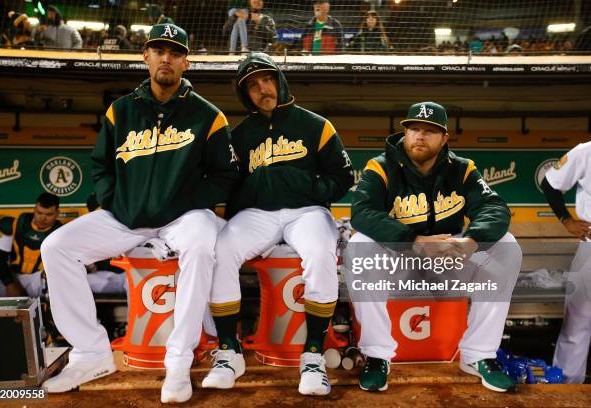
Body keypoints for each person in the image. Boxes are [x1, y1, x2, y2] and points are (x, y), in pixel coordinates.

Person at [39, 23, 239, 404]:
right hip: (126, 215)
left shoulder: (207, 115)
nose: (167, 58)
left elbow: (225, 176)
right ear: (145, 56)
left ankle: (178, 361)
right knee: (56, 247)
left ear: (186, 63)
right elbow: (101, 166)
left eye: (175, 52)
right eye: (159, 50)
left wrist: (186, 201)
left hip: (182, 216)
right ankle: (92, 352)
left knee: (200, 246)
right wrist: (115, 200)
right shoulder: (121, 111)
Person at [201, 52, 354, 396]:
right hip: (259, 214)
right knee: (220, 250)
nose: (262, 89)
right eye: (252, 86)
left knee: (319, 253)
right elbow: (233, 182)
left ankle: (313, 356)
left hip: (307, 211)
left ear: (279, 81)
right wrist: (241, 209)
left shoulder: (316, 125)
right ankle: (228, 352)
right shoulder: (239, 136)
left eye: (267, 80)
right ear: (245, 94)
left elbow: (342, 176)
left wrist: (313, 189)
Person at [349, 102, 522, 392]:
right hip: (399, 262)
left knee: (506, 246)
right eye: (414, 128)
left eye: (430, 131)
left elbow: (495, 208)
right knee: (358, 245)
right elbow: (362, 212)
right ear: (404, 133)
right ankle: (377, 355)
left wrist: (470, 242)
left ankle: (478, 355)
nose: (420, 135)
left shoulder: (463, 169)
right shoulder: (381, 166)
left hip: (448, 261)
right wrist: (413, 242)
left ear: (445, 138)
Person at [540, 142, 591, 383]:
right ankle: (567, 387)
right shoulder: (586, 151)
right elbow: (550, 184)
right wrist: (566, 219)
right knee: (579, 320)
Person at [0, 193, 61, 298]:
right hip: (12, 276)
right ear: (34, 209)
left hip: (39, 279)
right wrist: (10, 283)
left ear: (57, 213)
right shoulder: (15, 225)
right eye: (39, 213)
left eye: (48, 214)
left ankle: (46, 313)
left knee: (58, 282)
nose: (43, 218)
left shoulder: (61, 233)